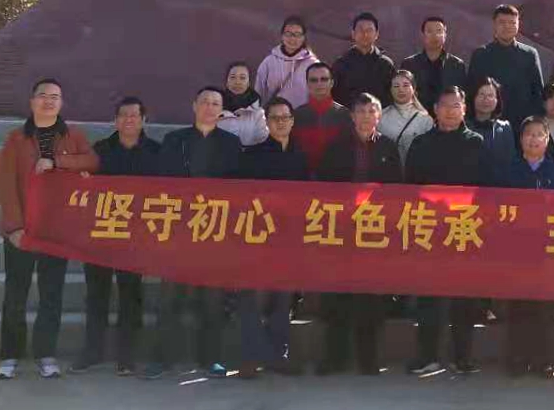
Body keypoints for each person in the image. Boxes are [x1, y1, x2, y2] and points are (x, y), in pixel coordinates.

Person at [0, 79, 99, 381]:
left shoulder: (73, 135)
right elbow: (6, 184)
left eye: (55, 97)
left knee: (51, 294)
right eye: (43, 96)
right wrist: (14, 227)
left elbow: (92, 161)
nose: (49, 101)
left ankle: (45, 355)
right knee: (15, 294)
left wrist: (57, 162)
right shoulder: (16, 138)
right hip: (22, 229)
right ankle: (10, 355)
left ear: (61, 103)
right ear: (32, 102)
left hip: (56, 229)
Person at [145, 87, 243, 380]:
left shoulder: (231, 143)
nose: (210, 107)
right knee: (169, 298)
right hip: (179, 227)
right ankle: (161, 358)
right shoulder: (174, 140)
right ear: (194, 106)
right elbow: (163, 181)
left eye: (216, 103)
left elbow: (237, 186)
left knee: (213, 299)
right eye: (205, 102)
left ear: (221, 110)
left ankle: (210, 358)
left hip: (214, 227)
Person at [315, 93, 403, 375]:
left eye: (371, 111)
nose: (366, 116)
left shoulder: (388, 147)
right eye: (361, 111)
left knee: (371, 297)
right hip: (341, 230)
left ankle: (369, 359)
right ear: (352, 116)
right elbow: (323, 186)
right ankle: (334, 358)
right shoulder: (336, 147)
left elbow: (397, 190)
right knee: (337, 295)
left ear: (379, 116)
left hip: (374, 231)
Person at [71, 96, 159, 376]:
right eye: (123, 115)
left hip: (137, 234)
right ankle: (92, 351)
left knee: (131, 294)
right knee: (96, 293)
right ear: (115, 120)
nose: (129, 119)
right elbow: (81, 185)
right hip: (101, 231)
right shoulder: (99, 150)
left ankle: (126, 355)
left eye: (134, 115)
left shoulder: (157, 152)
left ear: (144, 120)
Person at [404, 86, 488, 375]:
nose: (451, 111)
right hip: (430, 228)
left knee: (465, 297)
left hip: (464, 228)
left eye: (456, 106)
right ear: (435, 110)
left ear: (464, 109)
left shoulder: (476, 143)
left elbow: (485, 188)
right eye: (445, 106)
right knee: (429, 297)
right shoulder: (421, 143)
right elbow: (411, 187)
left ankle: (462, 357)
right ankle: (427, 355)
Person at [236, 97, 309, 377]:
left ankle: (279, 355)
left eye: (285, 117)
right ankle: (250, 357)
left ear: (292, 121)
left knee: (283, 299)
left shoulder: (301, 156)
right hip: (257, 237)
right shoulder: (252, 155)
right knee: (252, 298)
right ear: (266, 122)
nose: (280, 122)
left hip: (289, 239)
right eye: (275, 118)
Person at [502, 115, 554, 377]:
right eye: (528, 134)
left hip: (548, 249)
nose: (534, 139)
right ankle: (517, 358)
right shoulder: (507, 171)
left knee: (547, 308)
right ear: (521, 139)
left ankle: (545, 360)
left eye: (539, 134)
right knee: (518, 306)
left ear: (547, 139)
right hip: (515, 249)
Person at [467, 4, 544, 130]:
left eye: (512, 22)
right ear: (494, 25)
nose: (507, 26)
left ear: (518, 25)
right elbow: (471, 92)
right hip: (488, 125)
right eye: (502, 22)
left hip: (522, 125)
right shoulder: (481, 54)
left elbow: (538, 93)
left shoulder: (529, 54)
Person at [291, 62, 352, 174]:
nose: (319, 84)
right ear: (307, 84)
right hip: (302, 179)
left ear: (332, 83)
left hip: (336, 179)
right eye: (313, 80)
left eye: (324, 79)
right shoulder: (296, 116)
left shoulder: (345, 115)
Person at [399, 16, 469, 113]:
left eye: (439, 31)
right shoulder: (409, 65)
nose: (435, 35)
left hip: (448, 116)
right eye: (430, 31)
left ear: (445, 35)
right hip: (416, 117)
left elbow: (462, 97)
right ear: (423, 35)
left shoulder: (457, 65)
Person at [330, 11, 397, 106]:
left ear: (376, 34)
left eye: (369, 30)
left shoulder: (386, 64)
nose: (365, 34)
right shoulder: (341, 64)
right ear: (353, 33)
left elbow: (392, 96)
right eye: (360, 30)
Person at [254, 15, 319, 108]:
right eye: (288, 34)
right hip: (274, 115)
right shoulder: (269, 62)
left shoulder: (313, 64)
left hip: (302, 115)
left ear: (304, 37)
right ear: (282, 36)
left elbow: (319, 94)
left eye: (297, 34)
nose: (292, 38)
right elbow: (258, 92)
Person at [378, 69, 434, 165]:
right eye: (396, 86)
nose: (401, 90)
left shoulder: (425, 119)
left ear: (414, 88)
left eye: (406, 85)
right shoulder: (380, 117)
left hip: (416, 168)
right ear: (390, 89)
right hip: (388, 168)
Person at [466, 77, 517, 181]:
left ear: (497, 100)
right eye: (481, 95)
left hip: (497, 187)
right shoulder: (463, 126)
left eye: (490, 95)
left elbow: (510, 163)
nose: (486, 100)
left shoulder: (505, 128)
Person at [216, 63, 270, 146]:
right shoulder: (214, 108)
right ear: (227, 82)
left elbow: (262, 141)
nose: (237, 82)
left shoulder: (258, 113)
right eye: (233, 77)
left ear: (248, 83)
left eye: (242, 78)